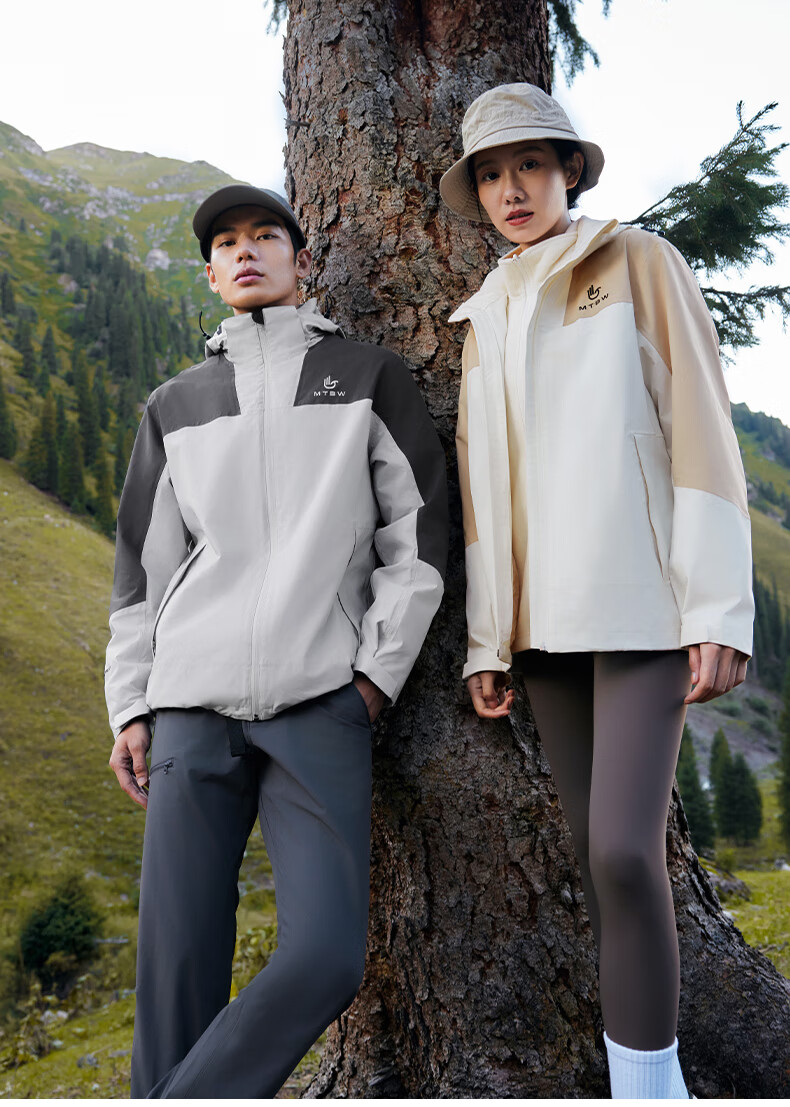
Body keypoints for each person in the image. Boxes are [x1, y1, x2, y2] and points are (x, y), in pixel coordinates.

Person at [440, 84, 753, 1099]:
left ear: (568, 169)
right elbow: (484, 493)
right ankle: (637, 1081)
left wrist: (717, 606)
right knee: (594, 858)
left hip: (644, 608)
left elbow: (700, 427)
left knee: (624, 852)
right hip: (542, 632)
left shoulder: (639, 262)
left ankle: (657, 1092)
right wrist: (488, 638)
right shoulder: (482, 316)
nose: (510, 189)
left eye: (529, 165)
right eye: (491, 174)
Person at [105, 183, 448, 1098]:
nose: (246, 250)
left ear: (303, 259)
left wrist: (371, 678)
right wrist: (131, 704)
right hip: (187, 708)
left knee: (328, 956)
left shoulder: (368, 376)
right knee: (177, 968)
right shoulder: (174, 404)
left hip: (320, 701)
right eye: (226, 242)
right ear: (211, 275)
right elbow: (140, 572)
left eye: (264, 234)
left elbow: (418, 541)